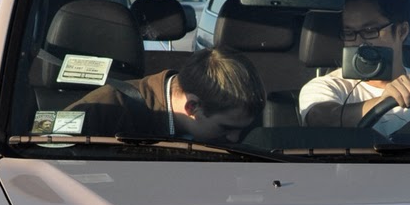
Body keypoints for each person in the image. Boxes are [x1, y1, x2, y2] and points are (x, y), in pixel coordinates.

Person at [298, 0, 410, 132]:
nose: (359, 42)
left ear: (402, 31)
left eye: (370, 31)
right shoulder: (327, 86)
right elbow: (320, 119)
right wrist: (383, 102)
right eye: (349, 33)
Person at [70, 46, 264, 142]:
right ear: (192, 107)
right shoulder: (103, 109)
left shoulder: (245, 123)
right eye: (225, 128)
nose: (235, 139)